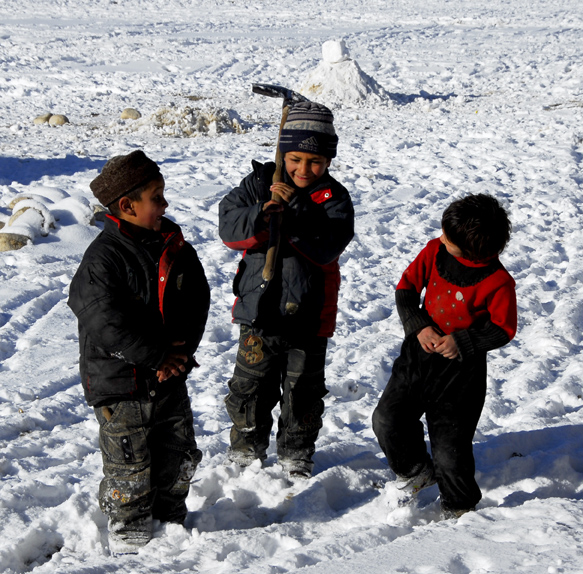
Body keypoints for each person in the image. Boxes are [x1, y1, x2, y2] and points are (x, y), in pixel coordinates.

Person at [68, 150, 210, 554]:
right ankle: (130, 532)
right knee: (128, 463)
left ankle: (171, 518)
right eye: (157, 198)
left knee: (179, 453)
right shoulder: (103, 258)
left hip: (169, 376)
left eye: (163, 196)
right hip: (122, 383)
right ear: (127, 206)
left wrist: (179, 355)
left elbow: (197, 301)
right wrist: (155, 356)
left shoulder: (174, 246)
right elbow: (105, 323)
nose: (165, 206)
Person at [218, 101, 354, 479]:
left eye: (315, 162)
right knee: (250, 385)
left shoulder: (333, 198)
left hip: (309, 316)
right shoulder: (259, 183)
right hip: (259, 311)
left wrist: (295, 213)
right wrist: (262, 212)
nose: (303, 170)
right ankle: (245, 447)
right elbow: (229, 228)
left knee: (303, 391)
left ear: (328, 161)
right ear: (282, 153)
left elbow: (328, 245)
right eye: (295, 159)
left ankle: (297, 452)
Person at [372, 193, 517, 519]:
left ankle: (460, 507)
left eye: (448, 239)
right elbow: (406, 290)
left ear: (473, 252)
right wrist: (418, 326)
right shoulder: (434, 251)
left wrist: (465, 341)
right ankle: (415, 470)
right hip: (416, 359)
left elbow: (503, 329)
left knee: (450, 450)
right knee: (387, 420)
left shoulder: (498, 282)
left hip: (459, 375)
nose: (440, 238)